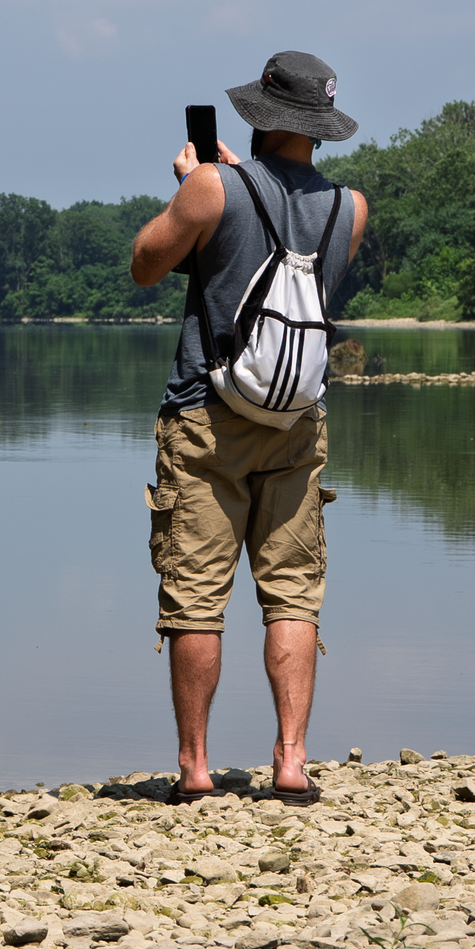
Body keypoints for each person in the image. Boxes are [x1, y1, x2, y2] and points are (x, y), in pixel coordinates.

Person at [127, 51, 369, 805]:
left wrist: (198, 187)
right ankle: (291, 762)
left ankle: (196, 769)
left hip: (207, 414)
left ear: (258, 116)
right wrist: (226, 189)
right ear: (320, 128)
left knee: (198, 595)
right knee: (293, 593)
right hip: (297, 418)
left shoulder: (210, 188)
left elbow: (145, 264)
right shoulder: (349, 209)